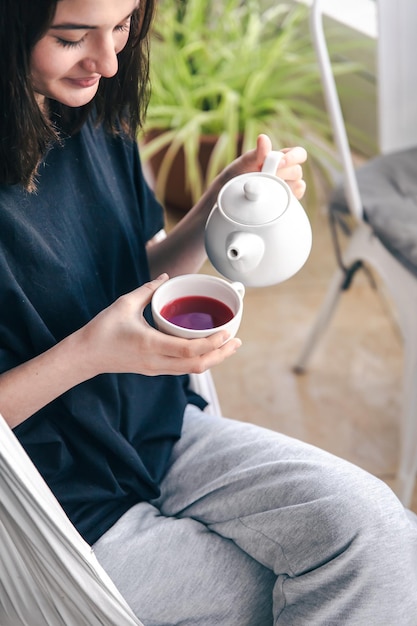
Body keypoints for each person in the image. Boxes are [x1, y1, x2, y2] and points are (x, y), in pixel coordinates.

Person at [1, 0, 416, 624]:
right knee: (282, 596)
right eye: (69, 37)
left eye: (122, 28)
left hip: (155, 432)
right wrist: (91, 354)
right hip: (51, 506)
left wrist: (217, 209)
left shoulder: (88, 113)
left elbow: (131, 269)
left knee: (376, 533)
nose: (109, 62)